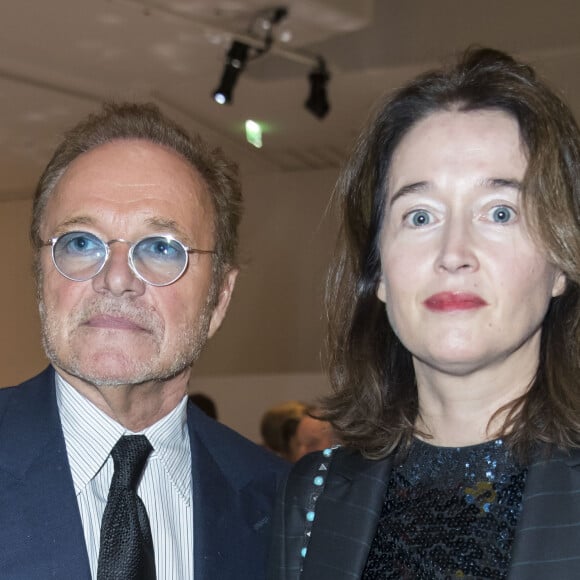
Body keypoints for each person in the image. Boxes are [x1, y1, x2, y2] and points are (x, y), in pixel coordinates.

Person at [269, 47, 580, 579]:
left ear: (560, 264)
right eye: (420, 216)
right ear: (381, 274)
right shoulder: (313, 496)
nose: (453, 252)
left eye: (500, 212)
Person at [0, 102, 287, 579]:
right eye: (80, 242)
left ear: (219, 297)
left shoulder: (286, 509)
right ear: (41, 279)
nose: (115, 279)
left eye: (159, 248)